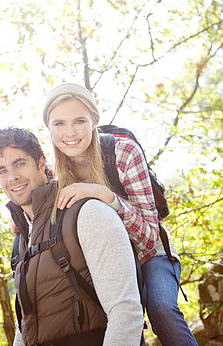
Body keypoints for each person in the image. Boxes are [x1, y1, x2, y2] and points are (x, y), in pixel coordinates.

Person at [41, 82, 198, 346]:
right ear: (49, 128)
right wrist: (18, 217)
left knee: (161, 309)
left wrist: (107, 197)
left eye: (79, 121)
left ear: (94, 120)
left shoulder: (123, 152)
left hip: (150, 256)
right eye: (59, 124)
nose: (69, 132)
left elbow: (149, 237)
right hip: (104, 264)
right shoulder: (54, 173)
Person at [0, 127, 144, 346]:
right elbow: (25, 325)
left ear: (41, 163)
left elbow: (126, 311)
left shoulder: (87, 213)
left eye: (19, 163)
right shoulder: (21, 241)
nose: (12, 177)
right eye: (2, 170)